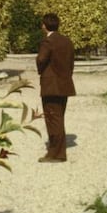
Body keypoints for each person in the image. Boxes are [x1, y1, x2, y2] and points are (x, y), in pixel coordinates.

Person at [36, 13, 76, 163]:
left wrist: (42, 70)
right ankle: (57, 150)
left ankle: (57, 154)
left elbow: (41, 59)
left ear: (44, 25)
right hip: (64, 84)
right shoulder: (67, 41)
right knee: (59, 117)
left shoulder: (48, 42)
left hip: (51, 86)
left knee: (53, 119)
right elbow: (71, 63)